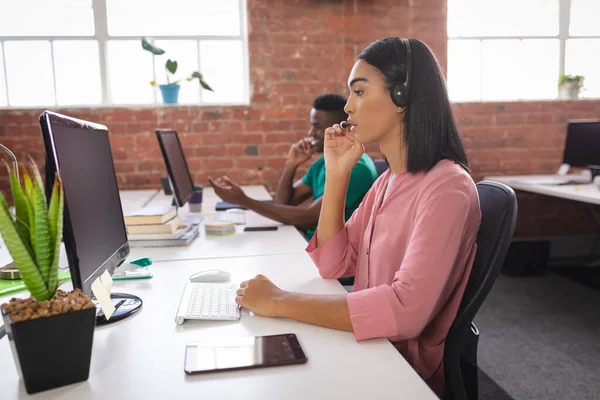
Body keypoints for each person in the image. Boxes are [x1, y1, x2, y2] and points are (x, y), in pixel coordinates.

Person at [231, 37, 482, 398]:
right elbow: (333, 264)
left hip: (402, 372)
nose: (348, 107)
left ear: (402, 98)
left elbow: (406, 311)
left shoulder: (447, 188)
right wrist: (336, 175)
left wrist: (280, 301)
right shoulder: (387, 182)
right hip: (370, 348)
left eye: (360, 92)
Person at [209, 93, 377, 241]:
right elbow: (284, 204)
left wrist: (243, 200)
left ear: (341, 127)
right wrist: (291, 165)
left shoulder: (356, 169)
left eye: (317, 127)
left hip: (336, 260)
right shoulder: (322, 163)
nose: (311, 133)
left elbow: (309, 217)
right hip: (313, 244)